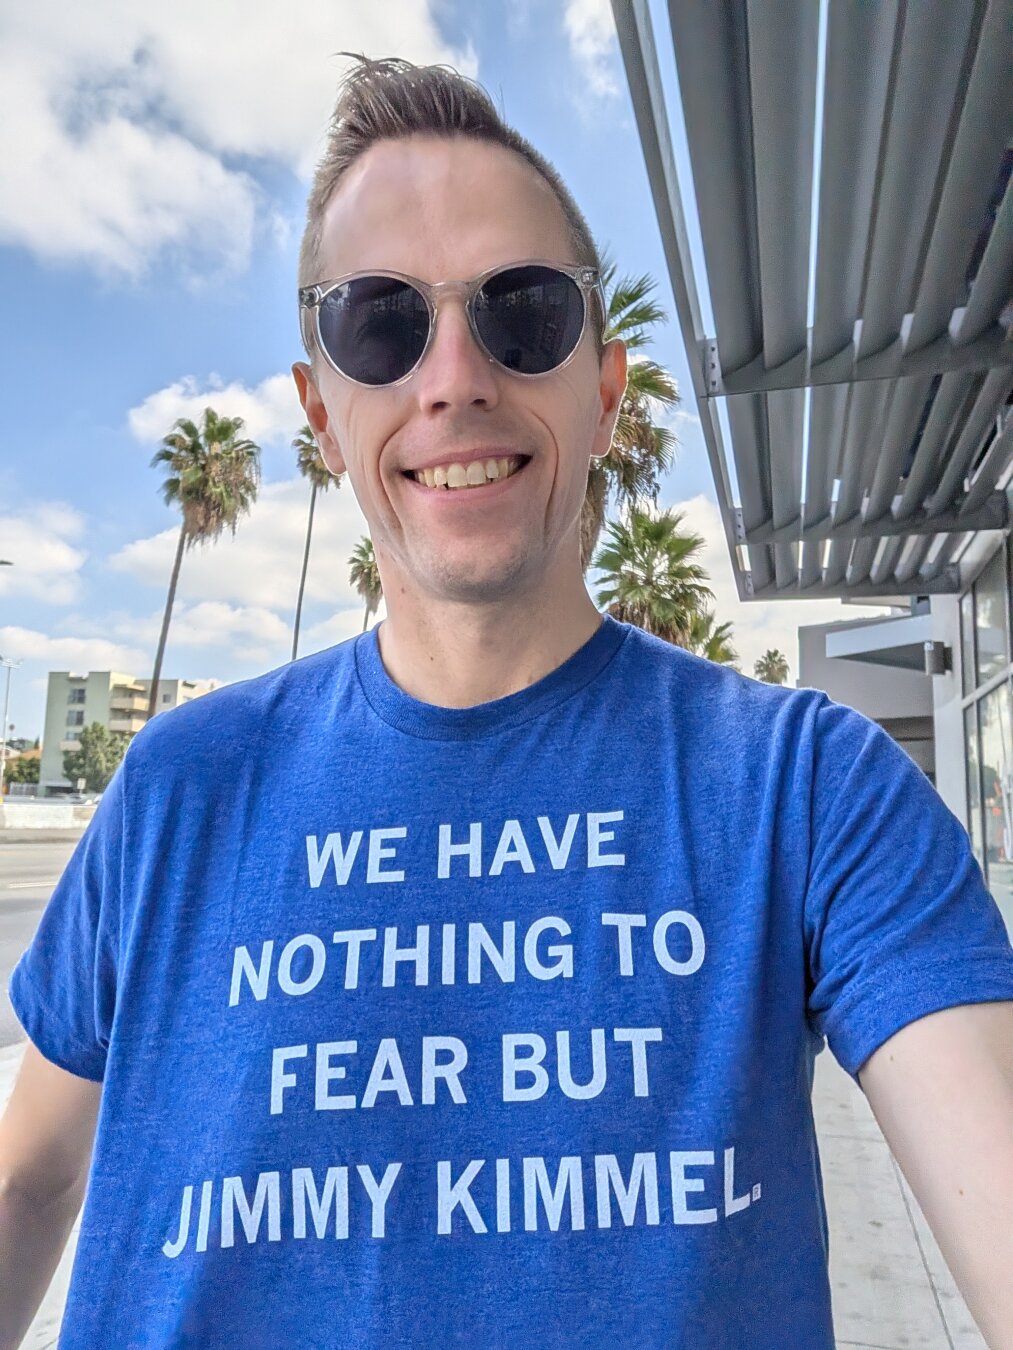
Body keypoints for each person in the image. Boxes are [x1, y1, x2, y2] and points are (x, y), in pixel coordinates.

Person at [2, 55, 1013, 1350]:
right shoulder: (178, 785)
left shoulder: (807, 787)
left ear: (603, 389)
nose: (453, 375)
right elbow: (28, 1173)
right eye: (381, 321)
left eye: (521, 312)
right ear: (322, 413)